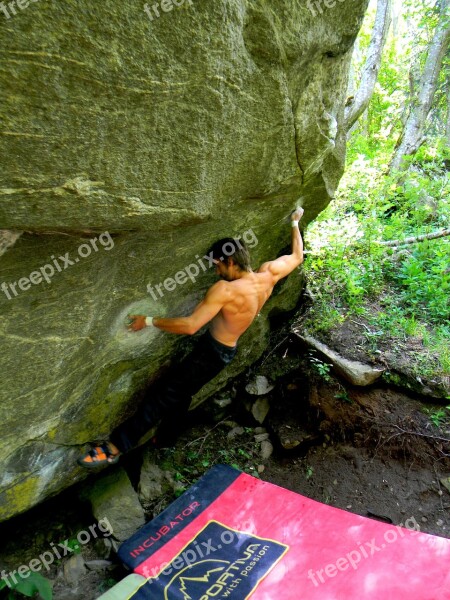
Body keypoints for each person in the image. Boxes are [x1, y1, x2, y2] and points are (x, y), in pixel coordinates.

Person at [77, 207, 304, 468]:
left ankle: (114, 448)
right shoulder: (268, 275)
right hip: (226, 354)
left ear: (230, 262)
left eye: (218, 265)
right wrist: (295, 223)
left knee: (164, 395)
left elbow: (190, 326)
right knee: (182, 394)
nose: (216, 271)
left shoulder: (225, 290)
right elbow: (297, 256)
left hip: (209, 354)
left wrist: (149, 321)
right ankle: (166, 439)